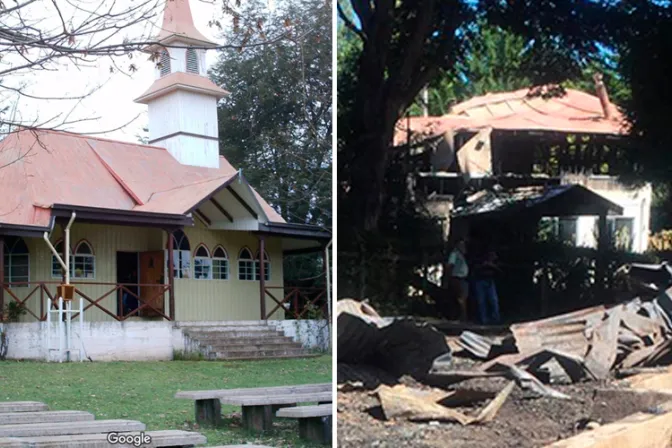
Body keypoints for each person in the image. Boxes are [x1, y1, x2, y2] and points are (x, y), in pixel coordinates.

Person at [472, 248, 502, 325]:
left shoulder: (496, 263)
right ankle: (484, 319)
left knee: (494, 300)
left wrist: (492, 266)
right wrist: (484, 265)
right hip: (480, 281)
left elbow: (500, 272)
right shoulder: (480, 261)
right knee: (481, 301)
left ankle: (496, 319)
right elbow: (475, 270)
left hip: (490, 282)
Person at [445, 238, 469, 321]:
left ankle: (462, 317)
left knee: (463, 298)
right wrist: (449, 277)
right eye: (461, 245)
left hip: (462, 278)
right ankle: (459, 317)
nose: (463, 247)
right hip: (457, 278)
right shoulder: (454, 254)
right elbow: (450, 265)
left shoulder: (461, 255)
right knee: (460, 298)